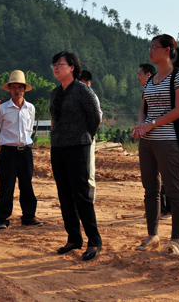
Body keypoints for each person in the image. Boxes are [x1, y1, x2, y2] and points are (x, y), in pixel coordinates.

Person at [132, 34, 179, 260]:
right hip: (147, 143)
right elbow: (143, 109)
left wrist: (151, 125)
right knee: (151, 191)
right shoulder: (151, 79)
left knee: (173, 190)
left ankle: (177, 240)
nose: (150, 51)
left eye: (154, 47)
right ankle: (153, 236)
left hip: (168, 141)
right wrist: (140, 125)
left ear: (167, 50)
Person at [50, 51, 102, 261]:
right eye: (53, 64)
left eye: (60, 64)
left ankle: (94, 240)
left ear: (72, 67)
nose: (55, 67)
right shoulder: (55, 92)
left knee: (81, 195)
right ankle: (74, 237)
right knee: (64, 194)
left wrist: (84, 136)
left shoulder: (82, 90)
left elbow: (95, 118)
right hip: (58, 148)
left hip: (78, 146)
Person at [0, 70, 42, 230]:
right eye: (14, 87)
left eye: (20, 87)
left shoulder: (30, 108)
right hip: (8, 152)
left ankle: (28, 216)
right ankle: (2, 218)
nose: (17, 90)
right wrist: (7, 143)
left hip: (25, 151)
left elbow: (29, 129)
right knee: (6, 185)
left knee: (27, 184)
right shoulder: (2, 109)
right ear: (10, 89)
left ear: (24, 89)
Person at [136, 63, 172, 220]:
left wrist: (151, 125)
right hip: (149, 138)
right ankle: (158, 209)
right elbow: (142, 112)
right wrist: (141, 126)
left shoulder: (163, 89)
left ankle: (168, 210)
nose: (138, 77)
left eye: (140, 74)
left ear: (148, 75)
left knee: (166, 178)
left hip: (163, 137)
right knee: (154, 180)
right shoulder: (147, 92)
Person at [79, 70, 103, 203]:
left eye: (88, 85)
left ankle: (89, 203)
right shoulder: (73, 97)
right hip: (74, 139)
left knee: (89, 172)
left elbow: (99, 118)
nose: (86, 88)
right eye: (83, 85)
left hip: (88, 138)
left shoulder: (94, 98)